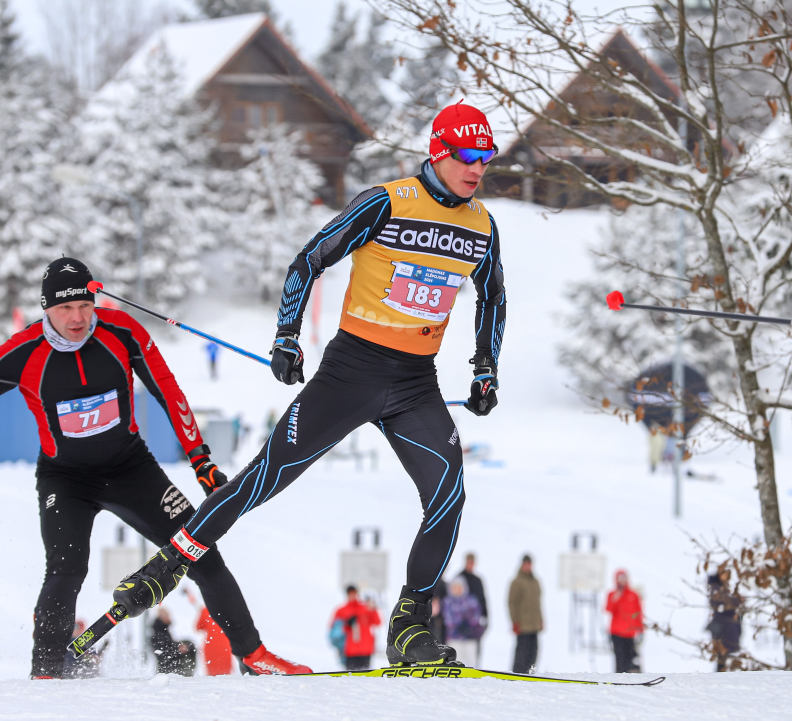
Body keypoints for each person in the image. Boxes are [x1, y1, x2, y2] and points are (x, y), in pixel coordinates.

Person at [114, 102, 506, 668]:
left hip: (416, 384)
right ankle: (167, 565)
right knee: (263, 478)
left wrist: (485, 368)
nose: (478, 168)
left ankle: (408, 625)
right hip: (352, 373)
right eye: (468, 155)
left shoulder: (481, 225)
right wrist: (286, 336)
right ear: (439, 152)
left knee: (449, 492)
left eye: (487, 157)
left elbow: (493, 297)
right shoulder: (386, 202)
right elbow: (308, 261)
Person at [0, 257, 308, 678]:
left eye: (85, 306)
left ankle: (254, 656)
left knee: (202, 554)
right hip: (65, 479)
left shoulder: (122, 332)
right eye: (65, 308)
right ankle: (46, 673)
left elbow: (168, 391)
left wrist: (201, 460)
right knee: (66, 570)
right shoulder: (23, 352)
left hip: (131, 469)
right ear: (46, 308)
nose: (77, 318)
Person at [331, 585, 382, 670]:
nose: (352, 596)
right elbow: (335, 629)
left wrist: (373, 609)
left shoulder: (365, 608)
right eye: (350, 594)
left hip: (366, 649)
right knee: (350, 675)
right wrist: (347, 624)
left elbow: (377, 622)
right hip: (350, 650)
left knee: (365, 675)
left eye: (354, 593)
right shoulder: (341, 610)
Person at [508, 554, 543, 674]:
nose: (528, 566)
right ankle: (517, 674)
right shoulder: (517, 582)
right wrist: (515, 622)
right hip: (523, 626)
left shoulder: (535, 581)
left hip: (534, 625)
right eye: (526, 564)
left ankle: (529, 674)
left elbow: (538, 603)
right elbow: (512, 603)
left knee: (533, 653)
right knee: (521, 654)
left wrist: (540, 620)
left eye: (529, 564)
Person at [605, 569, 643, 673]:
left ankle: (630, 677)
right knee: (619, 658)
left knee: (630, 658)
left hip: (630, 632)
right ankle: (618, 678)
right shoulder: (612, 594)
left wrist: (641, 629)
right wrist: (615, 598)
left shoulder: (633, 595)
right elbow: (608, 609)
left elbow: (638, 613)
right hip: (616, 632)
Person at [443, 576, 485, 667]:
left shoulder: (471, 600)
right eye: (454, 587)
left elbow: (477, 616)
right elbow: (448, 619)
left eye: (459, 587)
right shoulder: (448, 601)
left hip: (470, 637)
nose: (457, 590)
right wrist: (458, 625)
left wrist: (469, 625)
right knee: (455, 662)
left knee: (472, 663)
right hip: (454, 637)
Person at [706, 569, 741, 672]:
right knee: (722, 654)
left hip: (726, 627)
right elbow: (721, 604)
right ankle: (720, 676)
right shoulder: (716, 589)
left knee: (725, 655)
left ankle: (722, 676)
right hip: (723, 627)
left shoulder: (723, 588)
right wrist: (736, 601)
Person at [458, 552, 489, 658]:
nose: (471, 564)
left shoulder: (478, 580)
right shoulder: (459, 578)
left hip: (475, 622)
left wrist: (485, 616)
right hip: (461, 623)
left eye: (472, 562)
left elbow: (483, 600)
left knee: (475, 652)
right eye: (469, 562)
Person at [152, 606, 196, 676]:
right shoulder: (159, 632)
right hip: (168, 670)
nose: (170, 618)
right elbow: (164, 650)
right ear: (162, 618)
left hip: (168, 669)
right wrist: (178, 648)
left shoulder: (161, 630)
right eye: (168, 616)